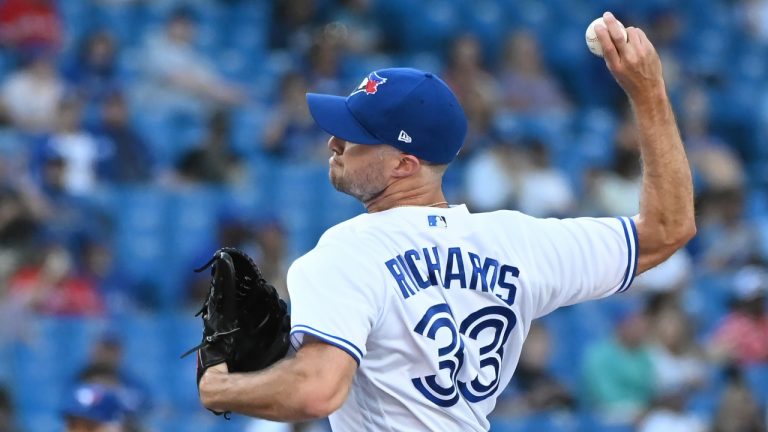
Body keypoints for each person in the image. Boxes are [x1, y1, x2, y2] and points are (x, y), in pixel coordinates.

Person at [197, 12, 696, 431]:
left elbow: (317, 390)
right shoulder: (517, 240)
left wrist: (222, 387)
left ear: (404, 164)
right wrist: (648, 91)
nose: (333, 142)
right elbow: (667, 229)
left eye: (354, 134)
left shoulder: (346, 251)